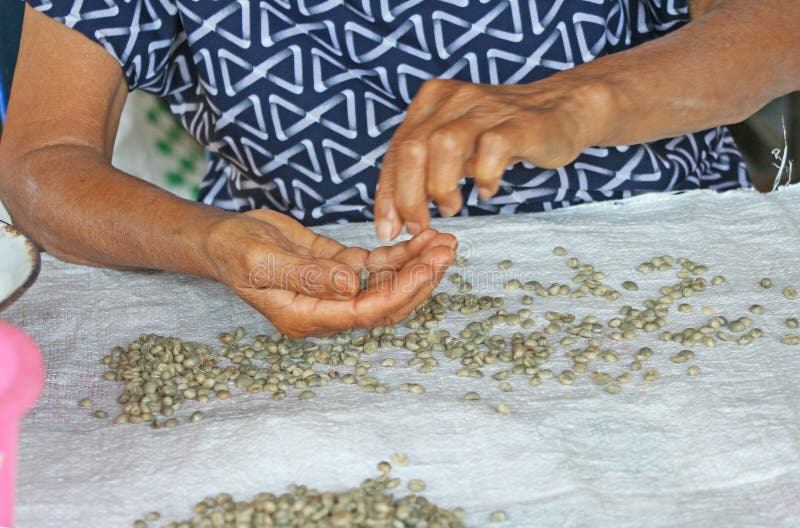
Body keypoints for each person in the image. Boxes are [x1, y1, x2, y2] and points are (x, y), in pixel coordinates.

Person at [0, 1, 797, 337]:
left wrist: (581, 101)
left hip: (654, 267)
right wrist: (210, 243)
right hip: (297, 280)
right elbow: (42, 161)